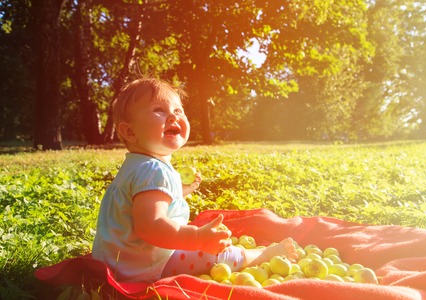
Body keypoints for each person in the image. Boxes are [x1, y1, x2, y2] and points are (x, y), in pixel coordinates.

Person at [92, 77, 297, 283]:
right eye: (158, 110)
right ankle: (262, 255)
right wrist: (197, 239)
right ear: (130, 131)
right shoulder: (153, 171)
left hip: (116, 263)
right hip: (143, 269)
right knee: (217, 254)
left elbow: (144, 201)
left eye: (178, 110)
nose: (172, 116)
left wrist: (179, 191)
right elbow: (151, 226)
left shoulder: (136, 166)